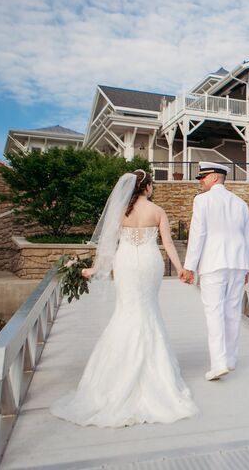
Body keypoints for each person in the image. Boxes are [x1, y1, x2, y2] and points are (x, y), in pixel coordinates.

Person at [50, 170, 198, 427]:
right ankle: (154, 374)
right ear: (147, 187)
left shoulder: (119, 212)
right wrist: (180, 269)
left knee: (127, 310)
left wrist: (95, 269)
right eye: (152, 185)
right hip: (150, 263)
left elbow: (107, 245)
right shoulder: (158, 211)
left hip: (126, 263)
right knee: (148, 309)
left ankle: (116, 373)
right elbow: (168, 244)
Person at [181, 162, 249, 381]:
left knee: (214, 312)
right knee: (232, 311)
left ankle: (218, 363)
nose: (200, 181)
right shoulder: (240, 203)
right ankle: (230, 359)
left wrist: (189, 266)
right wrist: (247, 267)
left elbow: (198, 234)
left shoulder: (202, 200)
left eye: (203, 177)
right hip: (237, 263)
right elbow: (248, 237)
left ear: (213, 177)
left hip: (213, 263)